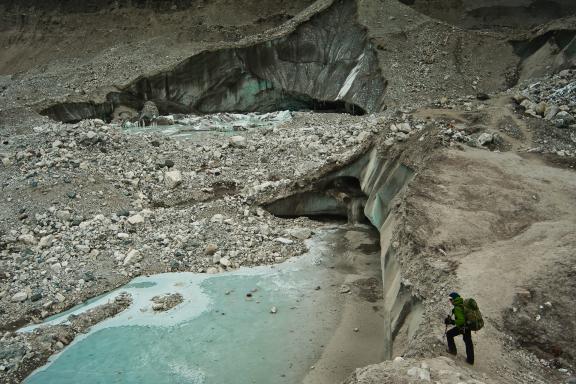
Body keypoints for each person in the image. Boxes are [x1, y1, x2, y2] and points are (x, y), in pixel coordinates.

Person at [444, 292, 474, 365]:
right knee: (468, 342)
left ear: (453, 299)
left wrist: (452, 322)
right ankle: (470, 360)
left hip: (463, 327)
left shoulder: (457, 308)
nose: (450, 301)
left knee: (449, 334)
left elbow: (461, 320)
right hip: (468, 326)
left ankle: (453, 351)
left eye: (450, 300)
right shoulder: (462, 304)